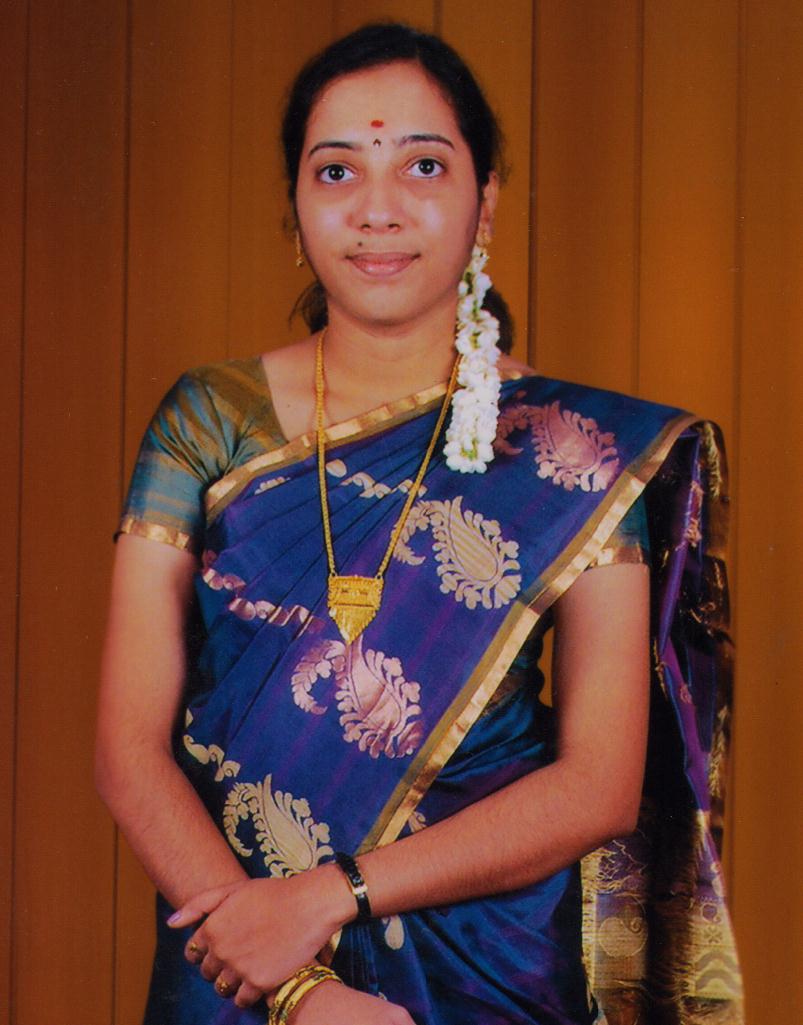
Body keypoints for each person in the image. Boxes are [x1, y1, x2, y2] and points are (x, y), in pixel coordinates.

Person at [96, 22, 743, 1025]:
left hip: (482, 960)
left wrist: (329, 896)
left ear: (485, 201)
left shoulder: (575, 450)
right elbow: (127, 749)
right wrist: (297, 987)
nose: (377, 209)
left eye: (423, 165)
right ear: (294, 206)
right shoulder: (209, 420)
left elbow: (598, 784)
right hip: (241, 962)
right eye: (336, 171)